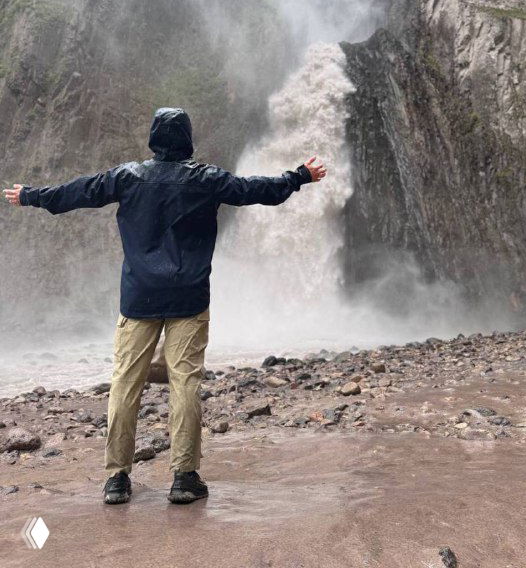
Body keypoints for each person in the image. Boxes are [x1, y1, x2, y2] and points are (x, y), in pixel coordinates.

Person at [3, 107, 326, 505]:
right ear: (187, 139)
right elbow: (257, 190)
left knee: (124, 383)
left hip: (139, 296)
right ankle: (184, 478)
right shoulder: (207, 178)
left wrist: (31, 195)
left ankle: (117, 480)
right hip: (189, 298)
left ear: (153, 140)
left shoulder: (127, 177)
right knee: (185, 383)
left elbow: (77, 192)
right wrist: (300, 176)